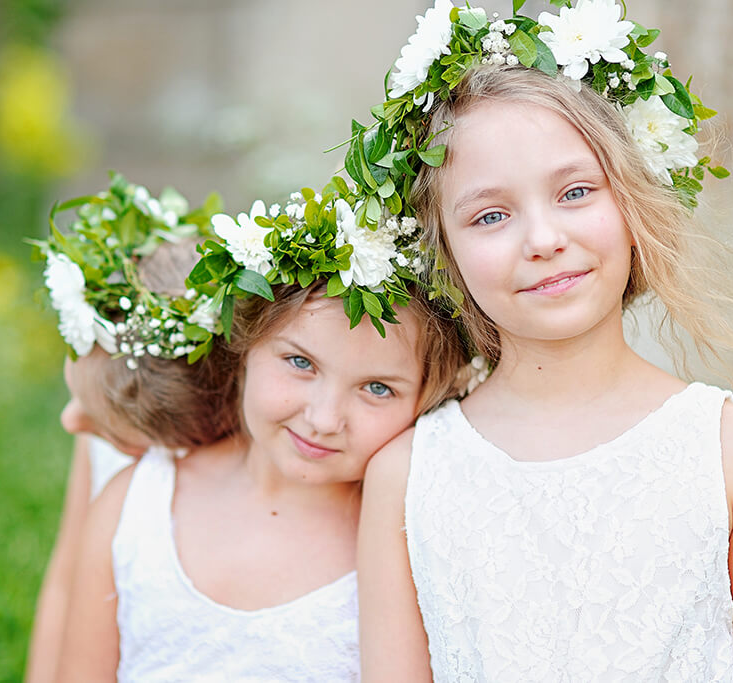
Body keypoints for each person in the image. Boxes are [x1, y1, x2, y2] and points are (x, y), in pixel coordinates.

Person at [356, 3, 733, 681]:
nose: (542, 239)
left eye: (576, 191)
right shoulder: (409, 477)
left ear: (631, 200)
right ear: (443, 248)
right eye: (491, 214)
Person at [54, 188, 471, 681]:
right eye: (300, 362)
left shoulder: (411, 543)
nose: (323, 418)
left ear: (427, 394)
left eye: (377, 388)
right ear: (244, 343)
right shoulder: (136, 506)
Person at [25, 178, 237, 682]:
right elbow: (64, 576)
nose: (69, 421)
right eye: (76, 397)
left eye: (99, 426)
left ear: (183, 443)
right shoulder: (109, 424)